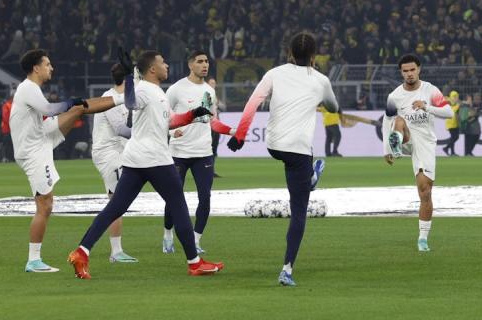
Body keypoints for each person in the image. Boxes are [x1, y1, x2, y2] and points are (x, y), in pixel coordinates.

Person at [68, 50, 224, 279]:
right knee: (179, 206)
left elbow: (169, 121)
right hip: (156, 158)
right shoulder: (142, 89)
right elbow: (131, 102)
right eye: (163, 62)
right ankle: (194, 262)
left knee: (115, 208)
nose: (167, 65)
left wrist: (191, 115)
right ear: (152, 68)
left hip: (135, 158)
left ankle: (81, 252)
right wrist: (131, 78)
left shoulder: (155, 91)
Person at [226, 32, 337, 286]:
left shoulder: (273, 73)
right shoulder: (321, 80)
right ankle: (286, 269)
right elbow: (333, 108)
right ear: (314, 55)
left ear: (289, 52)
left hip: (274, 145)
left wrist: (241, 135)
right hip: (298, 150)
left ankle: (311, 176)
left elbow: (253, 103)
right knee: (299, 211)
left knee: (301, 176)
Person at [11, 49, 127, 273]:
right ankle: (33, 260)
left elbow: (50, 112)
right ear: (36, 68)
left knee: (78, 108)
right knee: (44, 205)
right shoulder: (28, 87)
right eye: (47, 64)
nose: (51, 68)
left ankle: (122, 99)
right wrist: (70, 102)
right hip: (34, 149)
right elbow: (48, 109)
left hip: (41, 136)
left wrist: (75, 103)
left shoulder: (31, 89)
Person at [162, 50, 232, 255]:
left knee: (205, 197)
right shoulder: (176, 89)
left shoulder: (209, 92)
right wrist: (173, 131)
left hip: (203, 152)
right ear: (190, 65)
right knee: (174, 197)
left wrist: (232, 130)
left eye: (207, 61)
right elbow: (164, 116)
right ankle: (167, 234)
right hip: (178, 152)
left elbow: (212, 121)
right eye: (200, 61)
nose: (205, 65)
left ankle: (195, 240)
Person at [383, 53, 453, 252]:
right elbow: (386, 121)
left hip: (425, 142)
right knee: (398, 121)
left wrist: (427, 107)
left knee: (425, 191)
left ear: (419, 69)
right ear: (401, 73)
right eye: (405, 71)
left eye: (412, 70)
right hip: (405, 136)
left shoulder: (430, 90)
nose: (409, 74)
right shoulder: (395, 96)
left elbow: (449, 112)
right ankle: (396, 146)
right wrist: (386, 149)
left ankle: (423, 238)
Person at [91, 63, 137, 263]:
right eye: (136, 78)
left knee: (119, 200)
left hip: (120, 152)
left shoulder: (126, 99)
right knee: (116, 201)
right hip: (107, 153)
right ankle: (115, 252)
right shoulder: (108, 99)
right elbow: (120, 129)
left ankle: (116, 250)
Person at [443, 90, 461, 156]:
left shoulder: (450, 102)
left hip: (452, 122)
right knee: (455, 137)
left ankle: (452, 152)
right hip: (452, 122)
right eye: (455, 96)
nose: (456, 98)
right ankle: (446, 148)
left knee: (454, 137)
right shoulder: (454, 104)